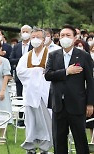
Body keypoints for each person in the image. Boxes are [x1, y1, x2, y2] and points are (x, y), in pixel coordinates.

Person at [45, 25, 94, 154]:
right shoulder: (53, 55)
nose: (65, 38)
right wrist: (66, 71)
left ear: (74, 38)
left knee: (80, 139)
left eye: (68, 35)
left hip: (77, 104)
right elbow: (48, 75)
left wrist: (90, 103)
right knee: (59, 139)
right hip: (58, 104)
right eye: (62, 36)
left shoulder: (83, 56)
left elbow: (90, 81)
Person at [17, 28, 52, 154]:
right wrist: (36, 71)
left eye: (38, 37)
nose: (35, 40)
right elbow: (20, 72)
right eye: (33, 37)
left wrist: (39, 72)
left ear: (44, 40)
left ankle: (44, 148)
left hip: (45, 93)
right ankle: (30, 147)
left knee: (46, 122)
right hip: (30, 94)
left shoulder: (51, 55)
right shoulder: (26, 57)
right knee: (31, 123)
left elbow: (52, 72)